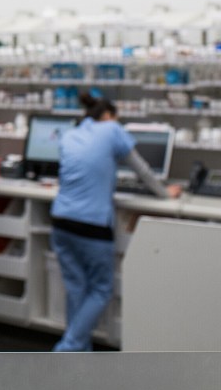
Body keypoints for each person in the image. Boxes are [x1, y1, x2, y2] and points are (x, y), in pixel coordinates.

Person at [50, 93, 182, 352]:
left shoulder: (70, 134)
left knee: (76, 286)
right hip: (92, 225)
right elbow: (142, 170)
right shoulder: (111, 129)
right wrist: (167, 193)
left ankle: (78, 351)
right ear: (109, 116)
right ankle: (68, 348)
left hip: (61, 221)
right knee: (101, 289)